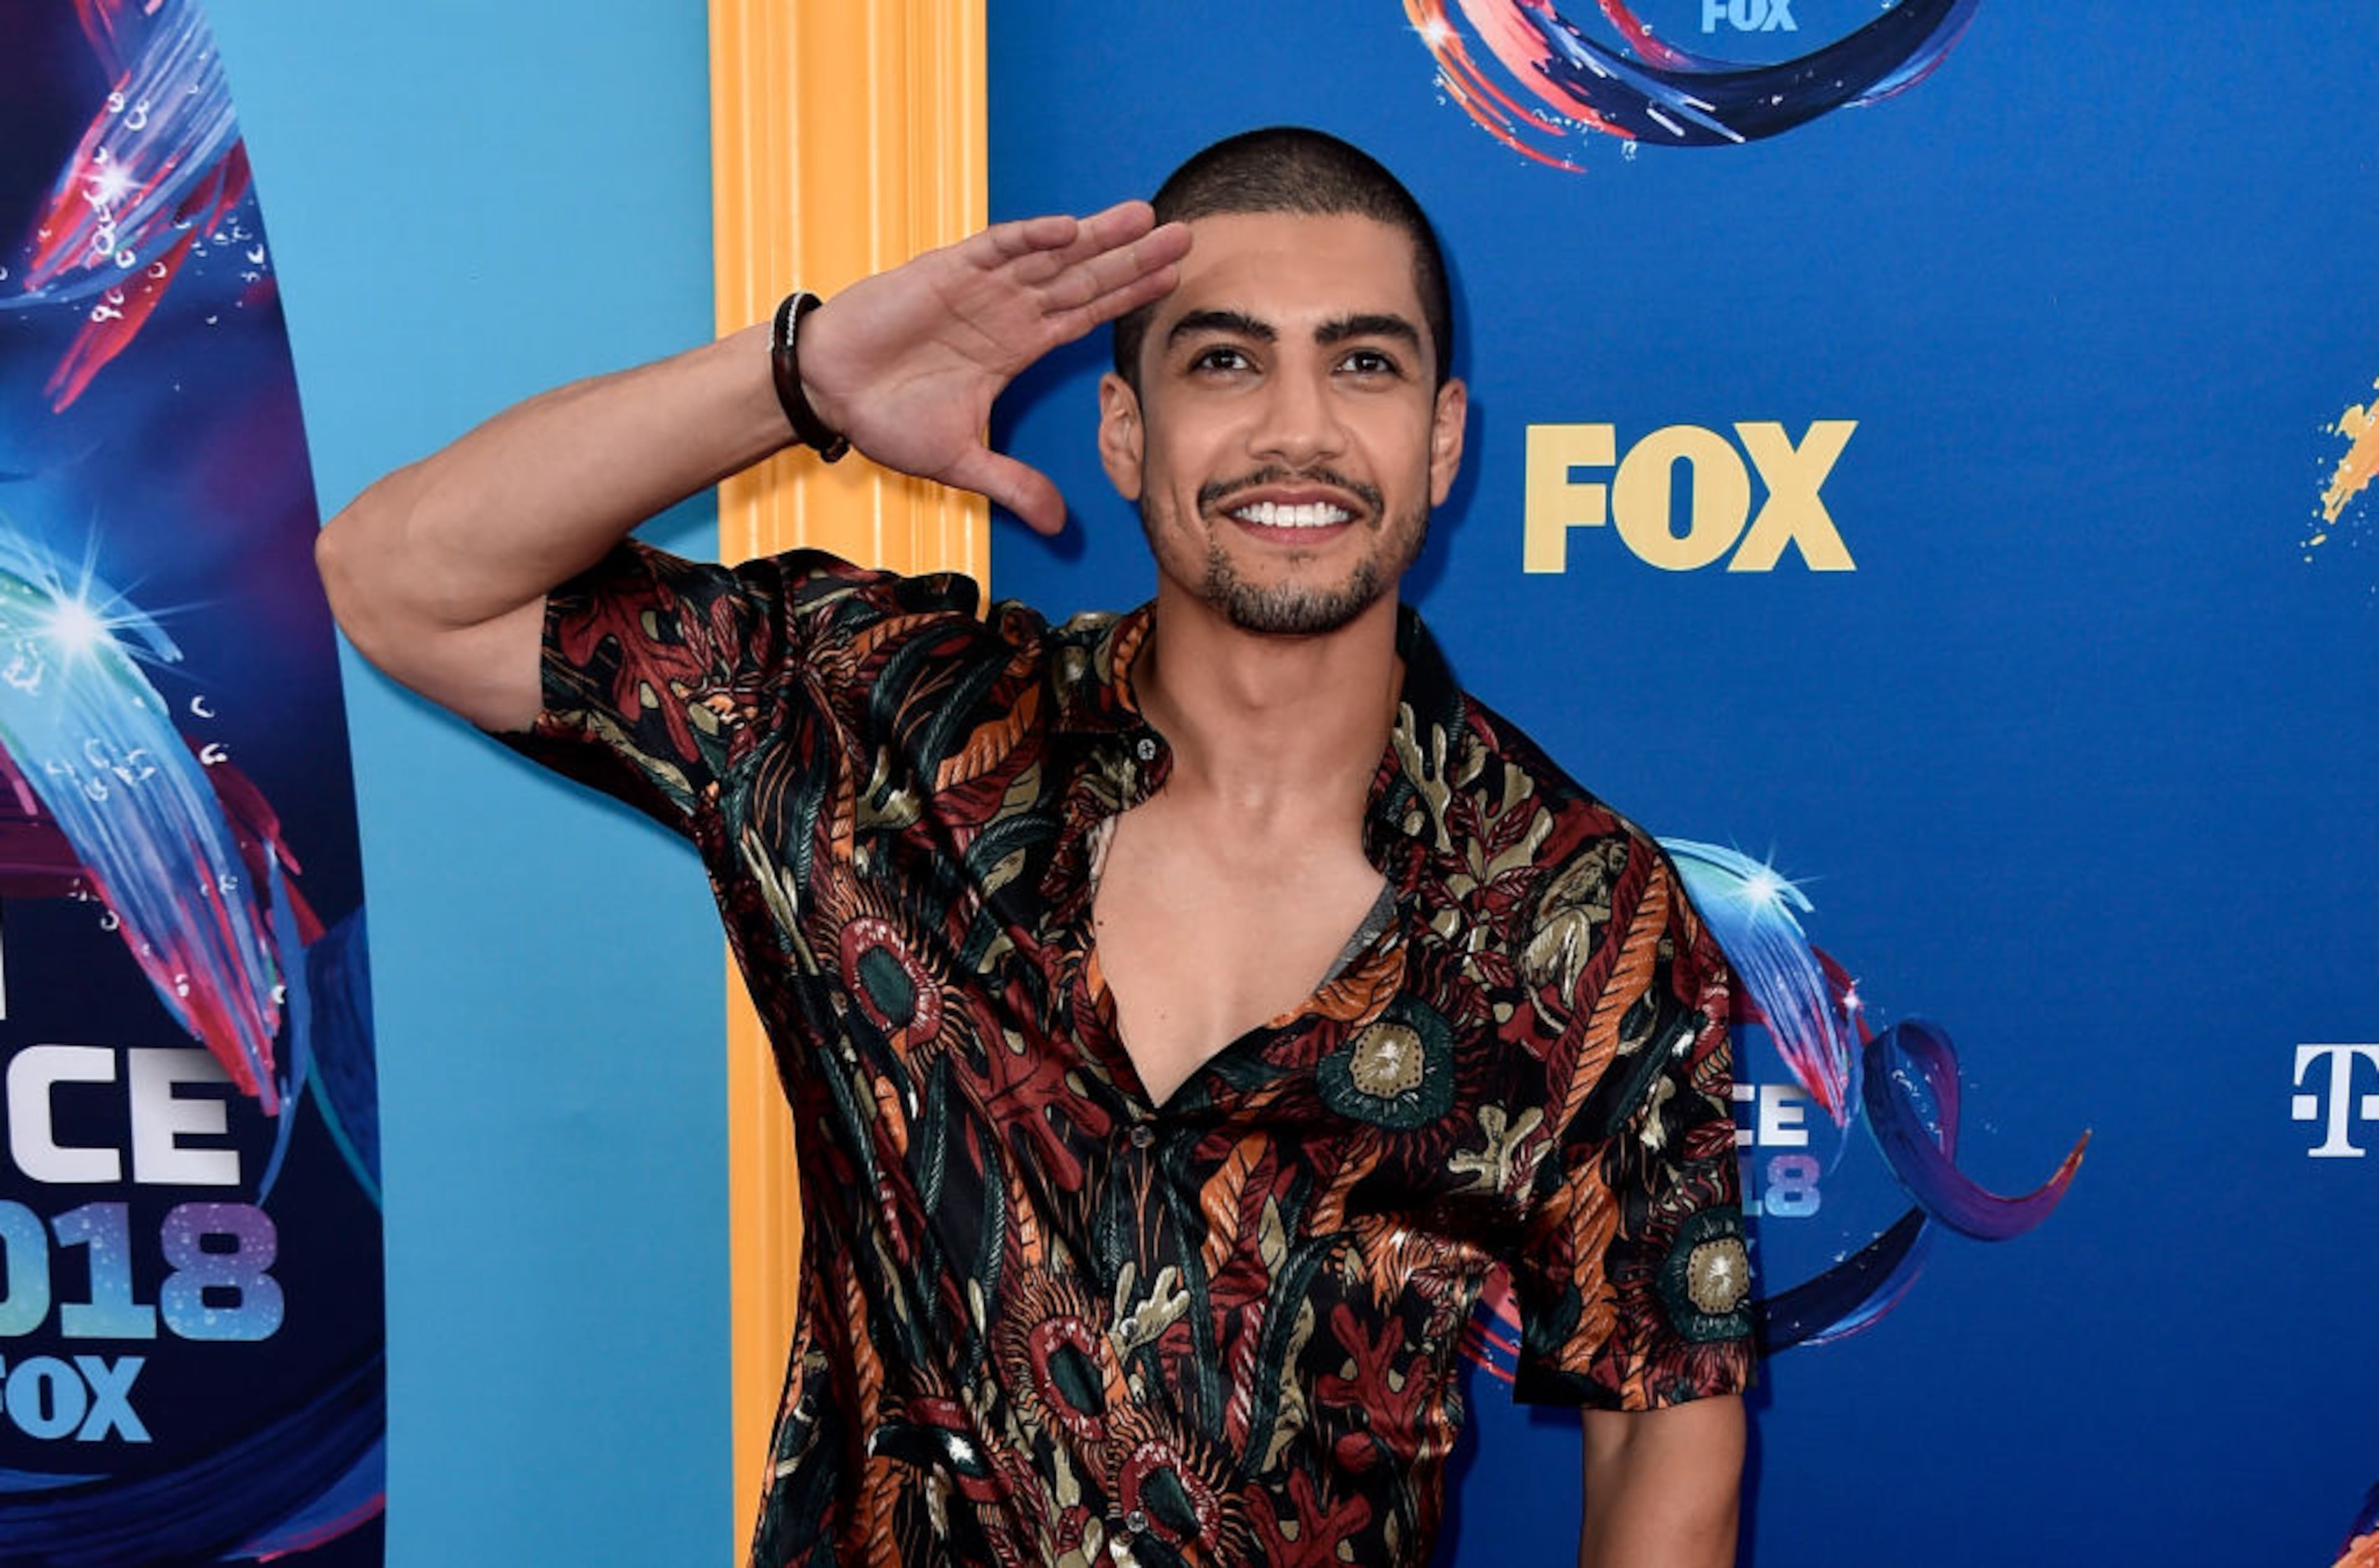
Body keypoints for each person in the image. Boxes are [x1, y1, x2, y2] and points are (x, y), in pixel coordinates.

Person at [317, 127, 1752, 1567]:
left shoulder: (1576, 910)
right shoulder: (882, 727)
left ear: (1443, 438)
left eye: (1362, 363)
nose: (1297, 432)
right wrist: (800, 374)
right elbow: (400, 583)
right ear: (1125, 430)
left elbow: (1663, 1418)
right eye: (1226, 361)